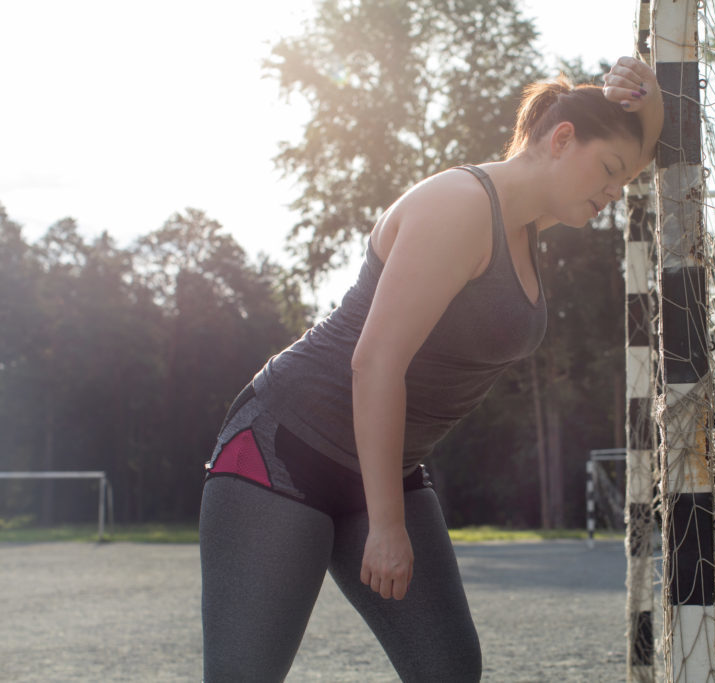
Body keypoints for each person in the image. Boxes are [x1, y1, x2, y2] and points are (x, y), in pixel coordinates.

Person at [199, 56, 663, 682]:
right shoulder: (459, 204)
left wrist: (646, 94)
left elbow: (641, 143)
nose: (614, 193)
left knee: (447, 669)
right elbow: (375, 362)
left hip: (382, 465)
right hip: (284, 452)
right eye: (610, 172)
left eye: (623, 182)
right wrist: (387, 526)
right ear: (561, 139)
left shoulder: (529, 221)